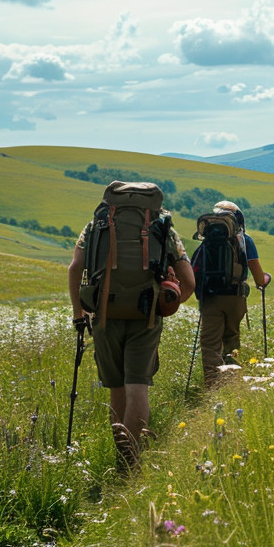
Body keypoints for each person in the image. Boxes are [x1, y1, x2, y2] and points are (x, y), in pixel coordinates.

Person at [68, 182, 195, 471]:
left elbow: (75, 267)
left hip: (104, 314)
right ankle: (132, 462)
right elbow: (189, 282)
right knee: (138, 386)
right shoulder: (163, 226)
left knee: (116, 388)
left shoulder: (96, 224)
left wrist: (79, 314)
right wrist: (166, 307)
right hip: (147, 314)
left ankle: (122, 458)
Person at [193, 200, 271, 388]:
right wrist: (265, 280)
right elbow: (259, 277)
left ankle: (212, 387)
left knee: (210, 344)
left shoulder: (207, 240)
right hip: (235, 297)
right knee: (231, 340)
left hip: (210, 297)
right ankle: (230, 384)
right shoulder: (244, 239)